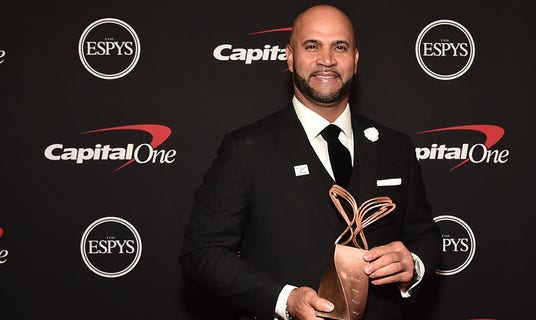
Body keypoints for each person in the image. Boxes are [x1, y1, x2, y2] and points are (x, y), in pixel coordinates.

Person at [181, 4, 441, 320]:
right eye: (312, 46)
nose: (327, 59)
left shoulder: (395, 146)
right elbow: (203, 253)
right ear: (289, 57)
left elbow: (423, 235)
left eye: (339, 47)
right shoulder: (246, 148)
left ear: (355, 60)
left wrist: (413, 264)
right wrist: (285, 300)